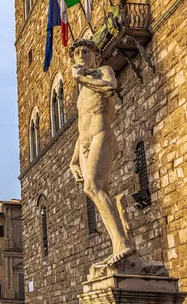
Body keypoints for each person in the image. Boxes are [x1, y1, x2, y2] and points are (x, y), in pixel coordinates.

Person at [69, 38, 136, 266]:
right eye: (77, 53)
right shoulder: (81, 94)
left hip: (102, 135)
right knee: (97, 192)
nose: (81, 56)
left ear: (95, 55)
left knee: (93, 187)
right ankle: (120, 243)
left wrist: (83, 78)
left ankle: (122, 243)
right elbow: (81, 126)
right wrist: (74, 159)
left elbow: (111, 88)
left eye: (85, 52)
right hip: (86, 143)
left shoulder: (103, 71)